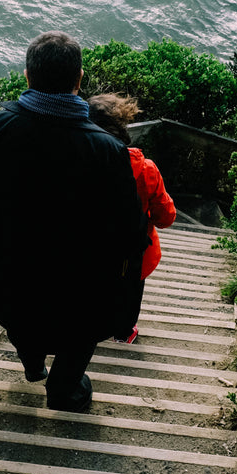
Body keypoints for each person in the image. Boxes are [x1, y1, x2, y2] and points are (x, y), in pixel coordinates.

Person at [0, 32, 148, 412]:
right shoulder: (107, 150)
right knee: (80, 332)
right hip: (80, 294)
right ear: (79, 80)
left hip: (11, 285)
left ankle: (32, 363)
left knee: (22, 319)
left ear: (27, 77)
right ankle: (65, 388)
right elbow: (130, 232)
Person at [87, 93, 176, 344]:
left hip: (89, 248)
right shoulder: (145, 168)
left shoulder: (78, 162)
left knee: (93, 289)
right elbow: (166, 217)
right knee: (129, 293)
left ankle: (89, 329)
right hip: (132, 252)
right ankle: (124, 333)